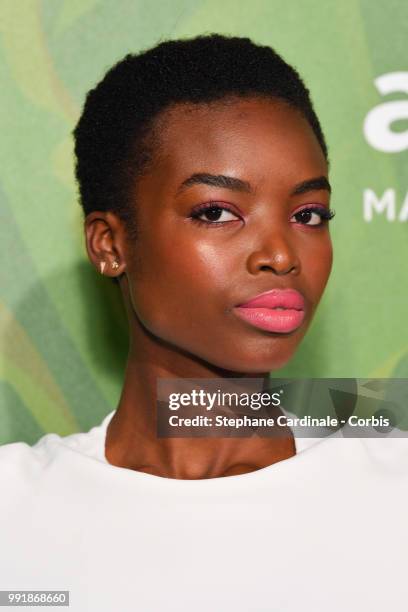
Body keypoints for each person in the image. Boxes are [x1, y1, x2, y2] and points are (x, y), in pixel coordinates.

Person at [0, 34, 406, 612]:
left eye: (308, 214)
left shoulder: (394, 487)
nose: (282, 254)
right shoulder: (14, 512)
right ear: (110, 244)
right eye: (217, 212)